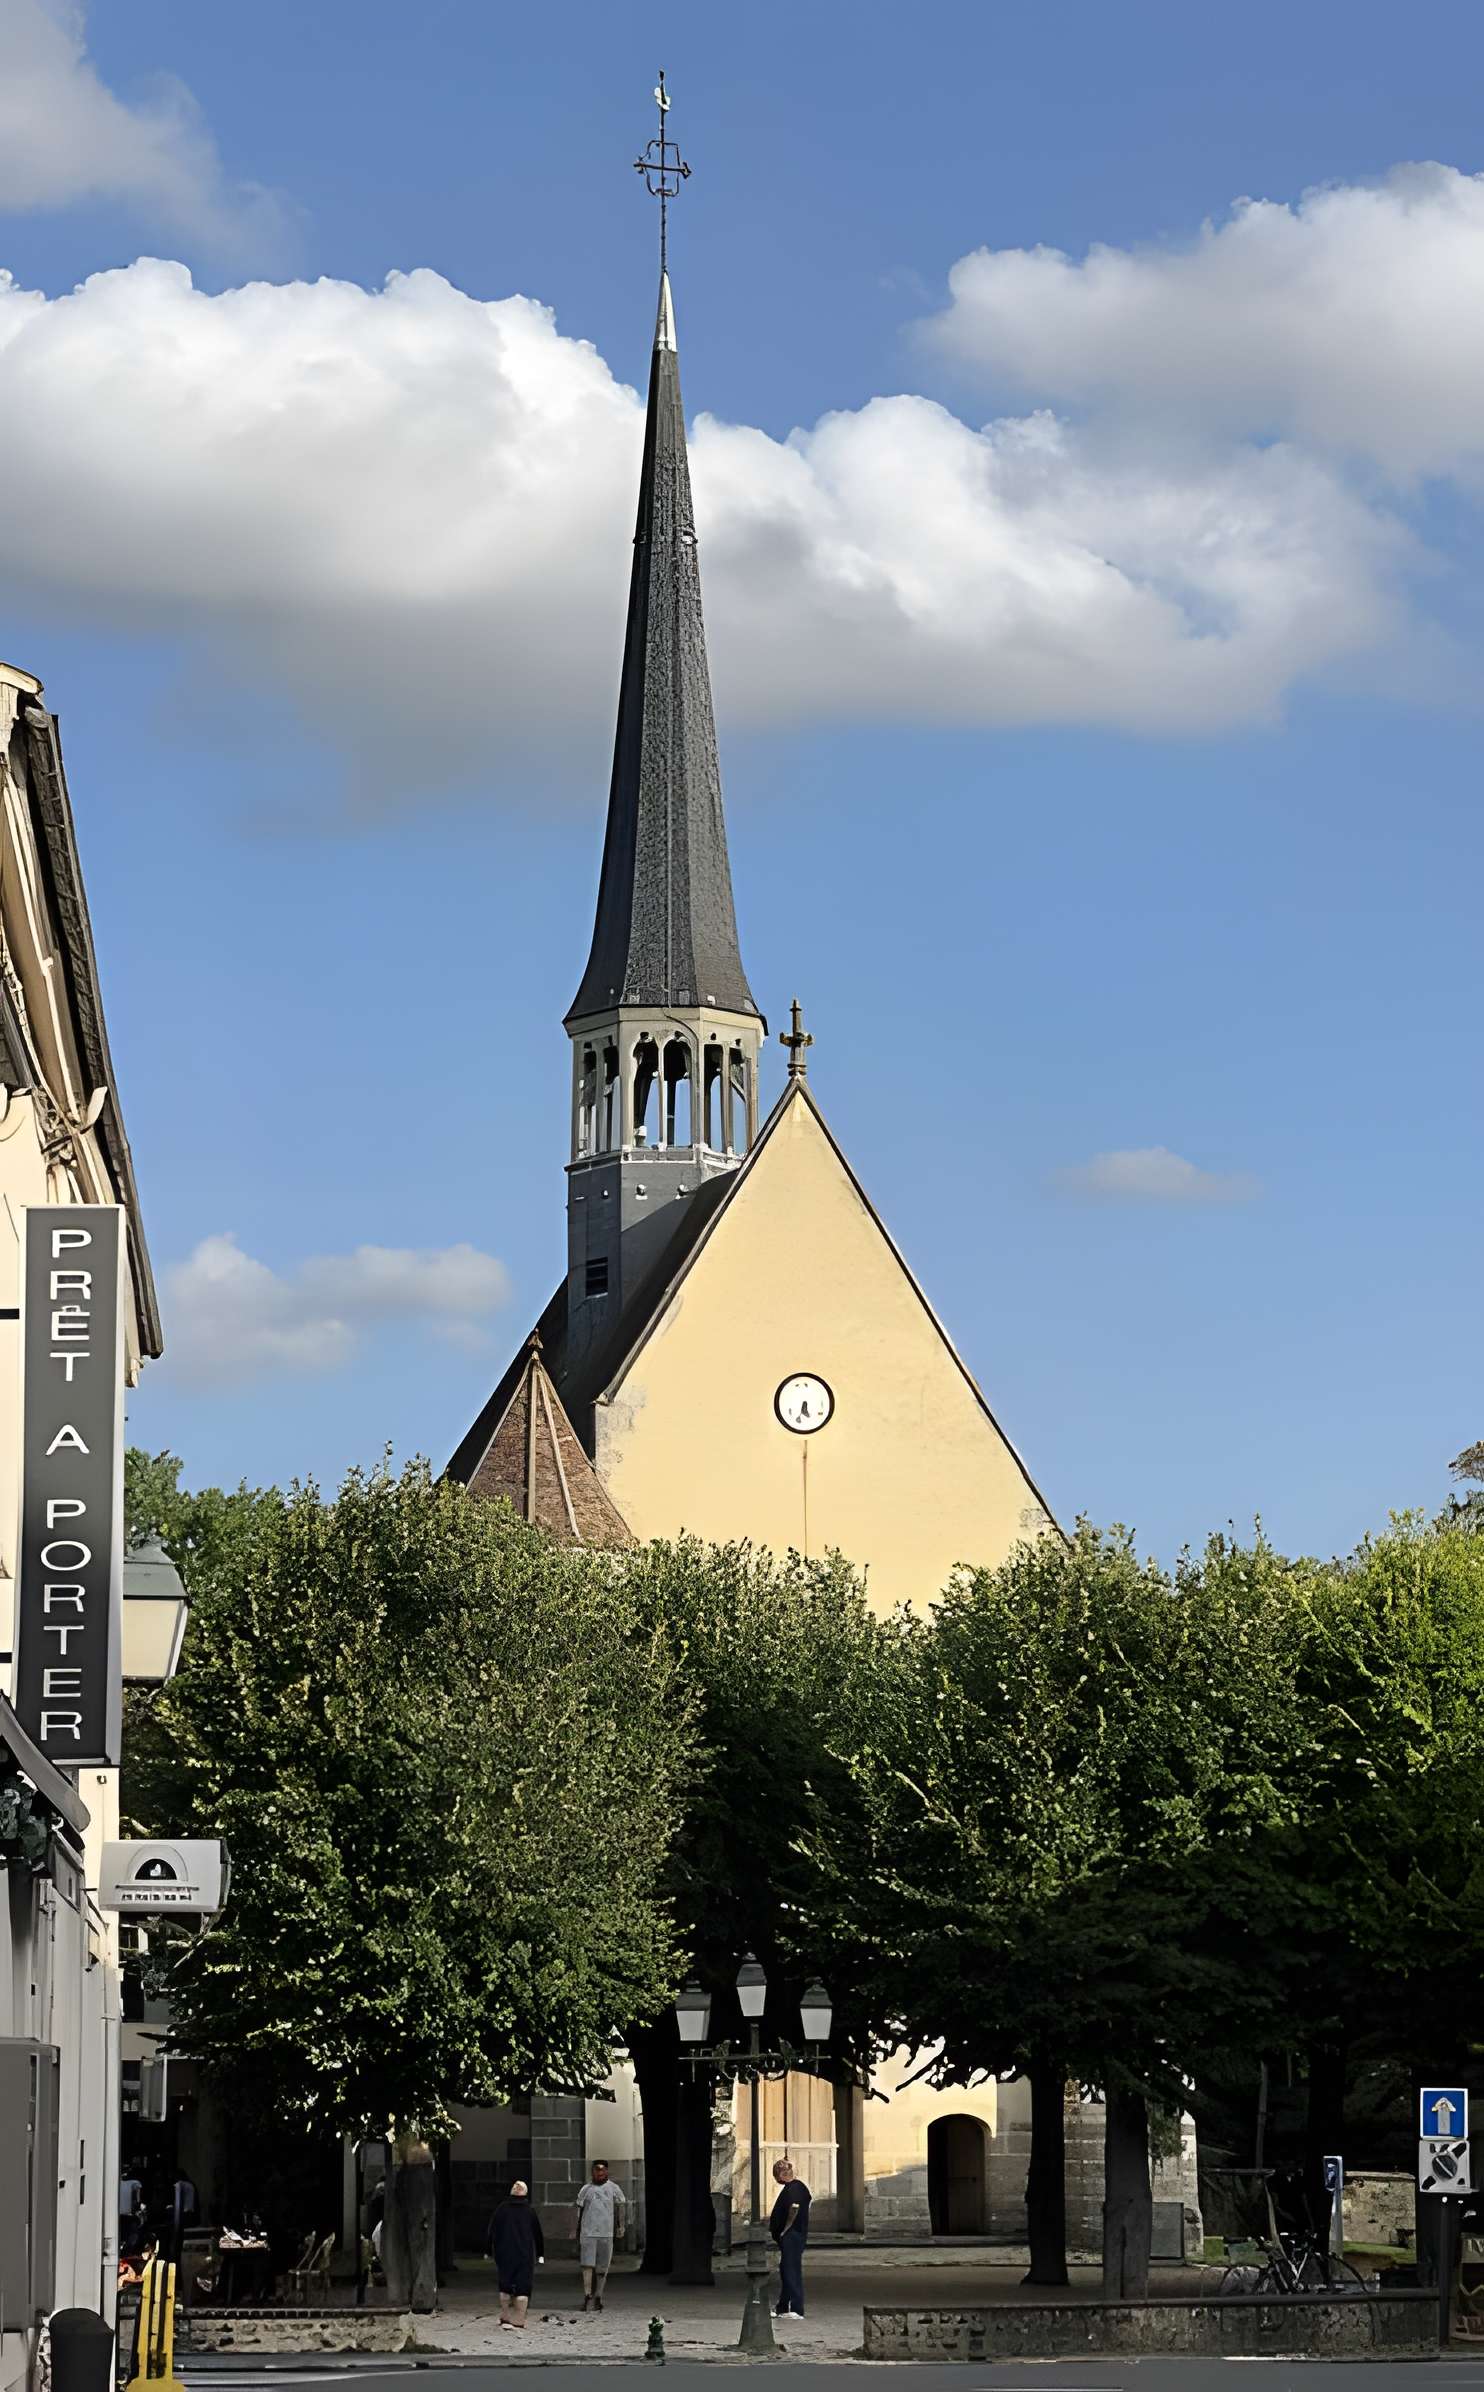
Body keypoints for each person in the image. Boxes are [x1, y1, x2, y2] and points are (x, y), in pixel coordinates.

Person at [488, 2179, 544, 2330]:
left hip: (504, 2253)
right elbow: (538, 2234)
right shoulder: (529, 2211)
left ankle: (505, 2315)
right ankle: (519, 2319)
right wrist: (540, 2254)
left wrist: (488, 2250)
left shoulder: (502, 2209)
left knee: (505, 2285)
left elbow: (492, 2230)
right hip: (524, 2255)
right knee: (523, 2287)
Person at [575, 2159, 626, 2312]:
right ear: (592, 2171)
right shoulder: (586, 2189)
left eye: (602, 2170)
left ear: (607, 2171)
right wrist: (574, 2229)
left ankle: (599, 2296)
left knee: (603, 2267)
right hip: (588, 2232)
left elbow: (621, 2207)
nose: (599, 2173)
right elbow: (578, 2210)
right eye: (596, 2170)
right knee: (587, 2265)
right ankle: (587, 2295)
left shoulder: (614, 2189)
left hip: (606, 2233)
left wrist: (621, 2226)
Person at [769, 2156, 812, 2318]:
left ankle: (795, 2308)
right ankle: (782, 2307)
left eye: (776, 2175)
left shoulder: (794, 2188)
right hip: (793, 2236)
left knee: (790, 2271)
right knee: (786, 2269)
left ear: (781, 2175)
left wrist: (784, 2230)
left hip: (792, 2236)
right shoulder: (795, 2187)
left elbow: (794, 2208)